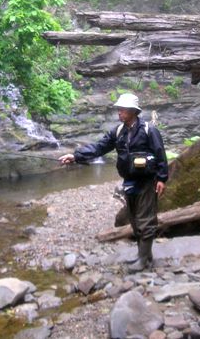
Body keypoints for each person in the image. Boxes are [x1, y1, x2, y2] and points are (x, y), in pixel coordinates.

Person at [58, 93, 168, 272]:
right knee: (134, 221)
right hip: (129, 181)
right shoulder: (118, 132)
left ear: (133, 111)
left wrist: (162, 178)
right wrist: (75, 156)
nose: (119, 112)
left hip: (148, 182)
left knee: (145, 220)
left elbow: (160, 153)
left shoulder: (149, 130)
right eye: (119, 109)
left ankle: (143, 260)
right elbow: (99, 147)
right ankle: (145, 256)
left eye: (122, 109)